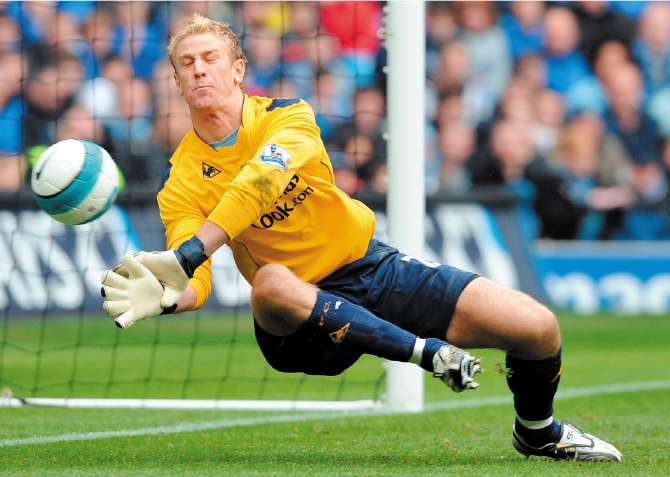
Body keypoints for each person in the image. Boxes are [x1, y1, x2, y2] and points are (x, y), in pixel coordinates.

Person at [100, 13, 622, 462]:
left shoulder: (289, 117)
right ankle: (424, 354)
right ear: (175, 80)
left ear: (238, 70)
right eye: (186, 63)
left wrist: (190, 253)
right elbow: (195, 283)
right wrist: (169, 297)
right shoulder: (181, 182)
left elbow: (258, 184)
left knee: (537, 327)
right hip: (296, 320)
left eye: (209, 57)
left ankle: (537, 434)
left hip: (372, 269)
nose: (198, 69)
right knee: (272, 283)